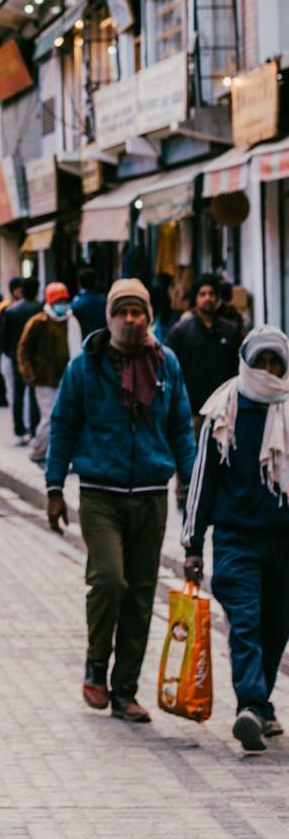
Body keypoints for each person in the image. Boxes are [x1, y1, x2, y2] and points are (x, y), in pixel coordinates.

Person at [45, 279, 196, 723]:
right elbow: (62, 425)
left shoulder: (166, 363)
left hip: (151, 494)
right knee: (110, 580)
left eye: (138, 312)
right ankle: (96, 666)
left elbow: (181, 428)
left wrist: (190, 481)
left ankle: (125, 689)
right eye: (122, 312)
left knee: (142, 595)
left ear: (148, 316)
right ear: (108, 317)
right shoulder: (85, 366)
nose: (131, 320)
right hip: (100, 493)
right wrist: (54, 488)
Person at [183, 326, 289, 755]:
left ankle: (260, 705)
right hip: (236, 540)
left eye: (275, 363)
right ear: (246, 362)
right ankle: (250, 704)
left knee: (276, 626)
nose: (267, 370)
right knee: (244, 622)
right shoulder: (222, 412)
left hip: (284, 542)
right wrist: (192, 544)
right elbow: (202, 480)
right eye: (260, 361)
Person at [168, 274, 241, 414]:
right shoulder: (181, 331)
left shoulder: (230, 330)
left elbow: (239, 366)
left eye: (211, 294)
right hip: (192, 410)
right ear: (196, 298)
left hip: (224, 409)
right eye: (202, 294)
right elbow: (170, 366)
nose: (208, 298)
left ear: (217, 298)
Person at [17, 282, 73, 463]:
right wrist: (29, 374)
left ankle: (58, 452)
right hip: (44, 379)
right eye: (59, 301)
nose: (63, 304)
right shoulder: (37, 322)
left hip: (66, 379)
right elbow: (23, 350)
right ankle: (38, 450)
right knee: (50, 418)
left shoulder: (72, 322)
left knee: (65, 418)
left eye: (65, 300)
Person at [0, 276, 43, 446]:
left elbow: (2, 338)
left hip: (17, 357)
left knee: (18, 394)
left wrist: (12, 353)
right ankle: (34, 429)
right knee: (34, 395)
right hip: (37, 358)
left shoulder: (11, 311)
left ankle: (19, 430)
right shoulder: (41, 310)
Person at [70, 265, 108, 341]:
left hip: (82, 342)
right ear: (95, 282)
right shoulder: (105, 302)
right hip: (102, 341)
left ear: (79, 283)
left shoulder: (75, 304)